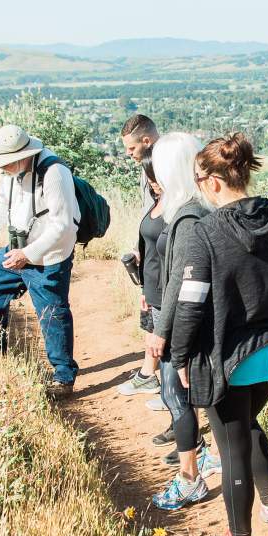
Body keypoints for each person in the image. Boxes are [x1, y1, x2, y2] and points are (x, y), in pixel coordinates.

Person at [169, 133, 268, 536]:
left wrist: (178, 359)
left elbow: (190, 305)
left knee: (230, 446)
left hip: (227, 358)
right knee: (247, 426)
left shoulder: (205, 231)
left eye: (197, 179)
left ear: (212, 182)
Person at [0, 124, 81, 399]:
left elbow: (63, 227)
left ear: (22, 156)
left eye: (5, 164)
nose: (1, 169)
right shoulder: (9, 171)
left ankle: (63, 377)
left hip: (48, 257)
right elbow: (2, 203)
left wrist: (28, 255)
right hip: (15, 250)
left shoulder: (55, 173)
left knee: (52, 314)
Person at [147, 132, 214, 510]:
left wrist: (162, 332)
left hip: (184, 322)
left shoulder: (187, 215)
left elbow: (179, 280)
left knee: (176, 395)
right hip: (197, 318)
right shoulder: (197, 206)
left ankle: (190, 478)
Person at [117, 153, 164, 400]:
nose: (152, 183)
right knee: (153, 332)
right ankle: (152, 378)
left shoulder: (179, 209)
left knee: (165, 342)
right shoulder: (158, 201)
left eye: (154, 178)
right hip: (152, 284)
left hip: (164, 287)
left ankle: (173, 399)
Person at [121, 113, 160, 212]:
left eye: (132, 148)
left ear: (146, 141)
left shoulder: (165, 165)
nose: (128, 153)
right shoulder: (146, 161)